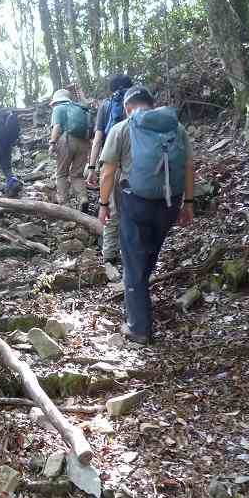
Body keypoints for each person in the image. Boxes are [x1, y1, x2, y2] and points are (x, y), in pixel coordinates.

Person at [98, 85, 195, 345]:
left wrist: (103, 203)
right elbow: (187, 166)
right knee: (148, 253)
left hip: (135, 203)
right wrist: (189, 202)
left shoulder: (122, 128)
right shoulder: (176, 128)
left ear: (128, 107)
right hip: (170, 203)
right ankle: (140, 294)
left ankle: (139, 327)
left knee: (132, 264)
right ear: (152, 105)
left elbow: (107, 172)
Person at [84, 74, 133, 263]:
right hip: (134, 163)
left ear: (111, 89)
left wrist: (91, 166)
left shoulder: (106, 105)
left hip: (111, 159)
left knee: (111, 208)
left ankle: (109, 255)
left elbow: (97, 140)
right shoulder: (140, 102)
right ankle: (132, 252)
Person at [48, 89, 92, 207]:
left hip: (67, 140)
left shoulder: (59, 108)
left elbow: (57, 127)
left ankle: (64, 203)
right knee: (77, 174)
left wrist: (52, 143)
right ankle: (83, 198)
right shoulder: (81, 109)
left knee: (61, 173)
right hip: (84, 142)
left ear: (56, 100)